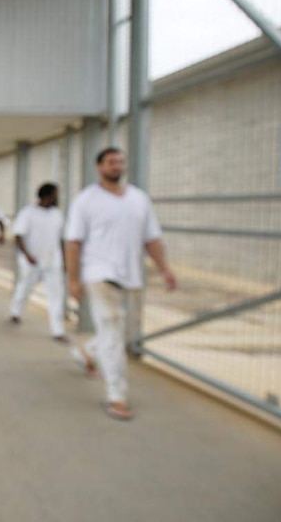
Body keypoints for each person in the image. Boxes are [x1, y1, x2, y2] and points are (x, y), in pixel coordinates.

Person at [65, 147, 177, 421]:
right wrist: (73, 279)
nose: (116, 166)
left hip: (130, 277)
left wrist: (165, 269)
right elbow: (73, 241)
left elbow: (151, 238)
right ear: (99, 167)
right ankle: (117, 396)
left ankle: (87, 352)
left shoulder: (139, 199)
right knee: (114, 335)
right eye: (110, 162)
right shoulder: (85, 201)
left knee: (119, 333)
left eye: (120, 161)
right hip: (99, 274)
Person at [8, 183, 69, 343]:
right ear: (47, 196)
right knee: (25, 288)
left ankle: (58, 330)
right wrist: (27, 255)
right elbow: (18, 236)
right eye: (55, 195)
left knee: (56, 296)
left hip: (52, 262)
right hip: (31, 262)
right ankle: (15, 311)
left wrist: (64, 260)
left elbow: (61, 239)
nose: (58, 198)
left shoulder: (57, 215)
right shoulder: (28, 213)